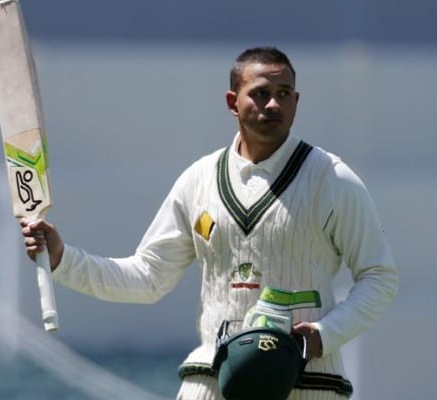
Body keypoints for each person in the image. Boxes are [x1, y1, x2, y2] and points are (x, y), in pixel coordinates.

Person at [21, 46, 398, 400]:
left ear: (297, 102)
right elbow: (148, 277)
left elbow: (379, 277)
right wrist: (61, 259)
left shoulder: (332, 178)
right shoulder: (198, 179)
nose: (273, 103)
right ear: (232, 102)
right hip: (211, 377)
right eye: (261, 93)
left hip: (309, 380)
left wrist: (320, 336)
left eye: (285, 93)